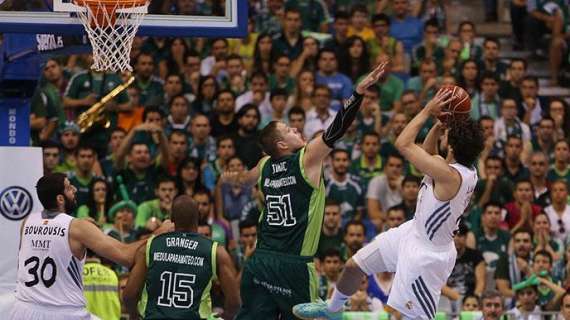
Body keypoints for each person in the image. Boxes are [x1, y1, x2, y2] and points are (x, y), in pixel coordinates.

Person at [293, 87, 484, 319]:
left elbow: (403, 143)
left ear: (451, 146)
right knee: (354, 266)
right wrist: (438, 125)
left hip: (427, 255)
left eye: (447, 136)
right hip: (413, 232)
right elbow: (428, 153)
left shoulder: (448, 175)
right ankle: (332, 310)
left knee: (406, 315)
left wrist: (426, 111)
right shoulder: (462, 170)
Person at [221, 63, 387, 319]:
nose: (296, 129)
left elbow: (245, 180)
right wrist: (358, 93)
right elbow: (336, 129)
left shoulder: (264, 165)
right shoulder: (306, 159)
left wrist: (229, 177)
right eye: (289, 130)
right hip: (294, 266)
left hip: (260, 262)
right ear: (281, 144)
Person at [9, 173, 171, 320]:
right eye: (68, 187)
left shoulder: (27, 222)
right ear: (60, 199)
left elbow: (52, 238)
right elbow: (127, 256)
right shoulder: (78, 228)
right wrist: (158, 234)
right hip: (62, 313)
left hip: (23, 309)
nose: (74, 189)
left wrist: (80, 228)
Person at [123, 195, 240, 320]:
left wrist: (134, 315)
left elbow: (129, 295)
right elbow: (234, 302)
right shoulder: (216, 251)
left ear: (171, 218)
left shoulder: (150, 246)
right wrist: (226, 316)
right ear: (198, 217)